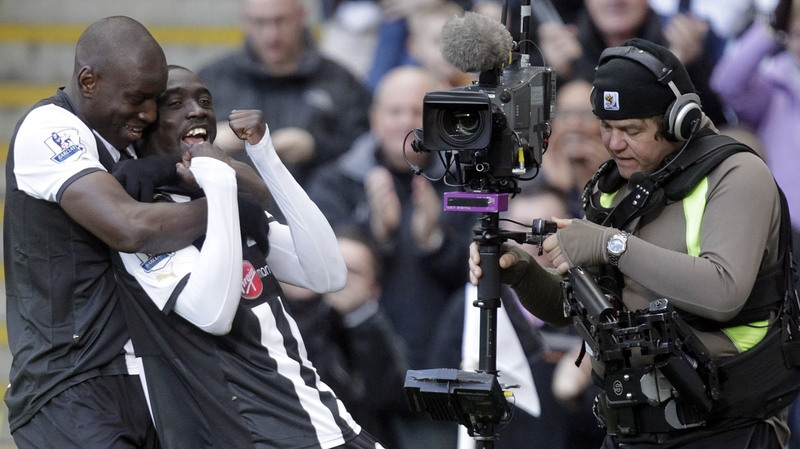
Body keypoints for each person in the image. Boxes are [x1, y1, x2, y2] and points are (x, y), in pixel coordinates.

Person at [469, 38, 799, 448]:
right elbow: (577, 310)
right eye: (605, 127)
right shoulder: (614, 186)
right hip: (631, 426)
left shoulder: (738, 174)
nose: (613, 143)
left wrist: (612, 245)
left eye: (631, 130)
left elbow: (723, 291)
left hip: (727, 424)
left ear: (680, 121)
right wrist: (520, 271)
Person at [111, 64, 384, 449]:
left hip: (325, 423)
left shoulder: (231, 204)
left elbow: (326, 273)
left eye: (205, 101)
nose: (197, 111)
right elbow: (213, 315)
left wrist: (264, 156)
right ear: (148, 120)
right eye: (175, 103)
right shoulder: (145, 218)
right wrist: (220, 183)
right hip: (262, 435)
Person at [3, 16, 212, 449]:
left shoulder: (122, 138)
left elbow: (208, 146)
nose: (149, 114)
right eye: (137, 98)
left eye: (156, 101)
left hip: (146, 381)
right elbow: (129, 228)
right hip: (69, 386)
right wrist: (228, 209)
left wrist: (157, 166)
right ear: (88, 81)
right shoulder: (49, 129)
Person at [306, 65, 477, 448]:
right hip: (351, 376)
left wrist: (434, 241)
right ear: (374, 117)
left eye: (418, 112)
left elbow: (483, 273)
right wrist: (374, 237)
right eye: (395, 111)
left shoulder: (469, 180)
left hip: (441, 377)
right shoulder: (334, 181)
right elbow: (322, 273)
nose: (406, 123)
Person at [198, 0, 372, 188]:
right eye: (260, 22)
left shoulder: (340, 82)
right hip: (233, 210)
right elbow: (173, 146)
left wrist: (316, 148)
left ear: (300, 16)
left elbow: (368, 150)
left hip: (315, 209)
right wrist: (208, 141)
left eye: (280, 21)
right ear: (245, 20)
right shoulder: (212, 81)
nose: (271, 35)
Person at [281, 226, 410, 448]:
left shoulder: (380, 331)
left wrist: (359, 318)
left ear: (374, 289)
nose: (342, 280)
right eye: (335, 268)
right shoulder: (296, 320)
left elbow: (394, 397)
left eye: (354, 272)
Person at [709, 0, 800, 234]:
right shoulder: (774, 89)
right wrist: (771, 27)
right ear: (786, 34)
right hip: (785, 228)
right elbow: (727, 83)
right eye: (799, 32)